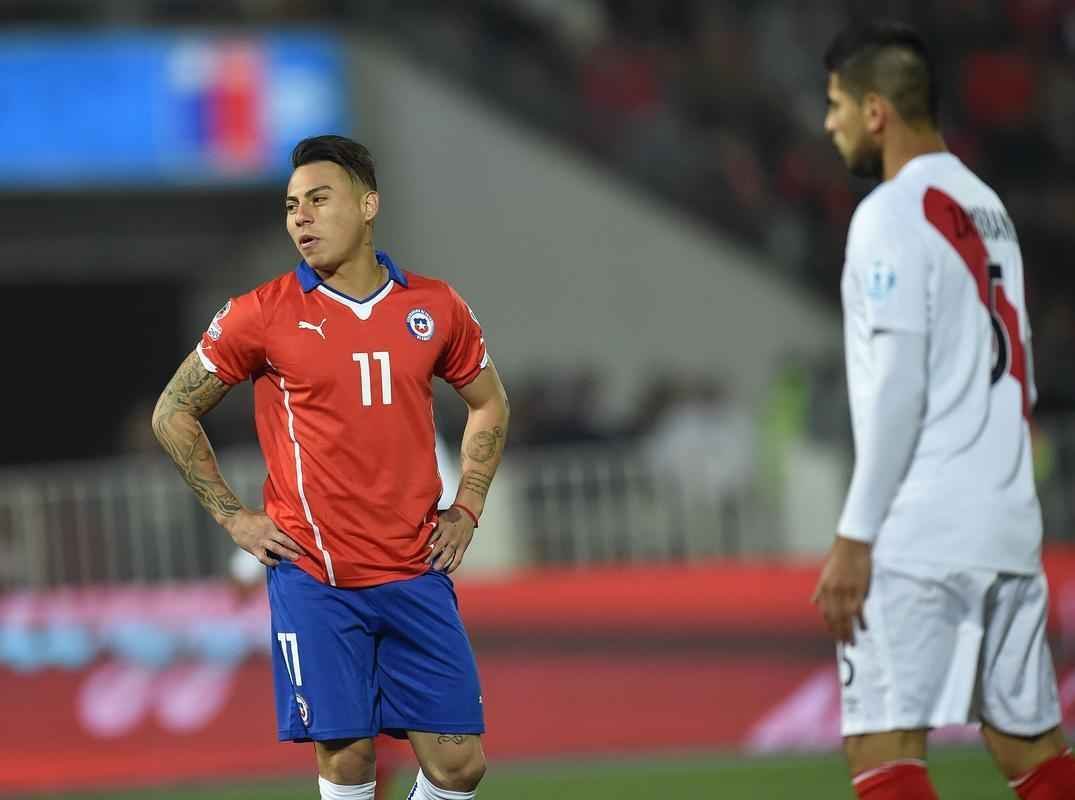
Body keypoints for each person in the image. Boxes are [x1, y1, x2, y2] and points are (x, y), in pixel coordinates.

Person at [152, 135, 509, 800]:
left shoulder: (434, 307)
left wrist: (468, 507)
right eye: (291, 206)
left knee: (460, 766)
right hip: (316, 578)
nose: (301, 218)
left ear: (368, 204)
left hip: (414, 570)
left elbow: (489, 406)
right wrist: (233, 517)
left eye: (319, 199)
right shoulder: (259, 314)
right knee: (347, 761)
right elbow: (172, 411)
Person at [812, 21, 1075, 800]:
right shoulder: (988, 209)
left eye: (833, 105)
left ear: (874, 111)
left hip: (921, 529)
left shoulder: (890, 213)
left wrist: (855, 538)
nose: (826, 124)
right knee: (1030, 745)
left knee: (881, 745)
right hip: (1003, 522)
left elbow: (898, 383)